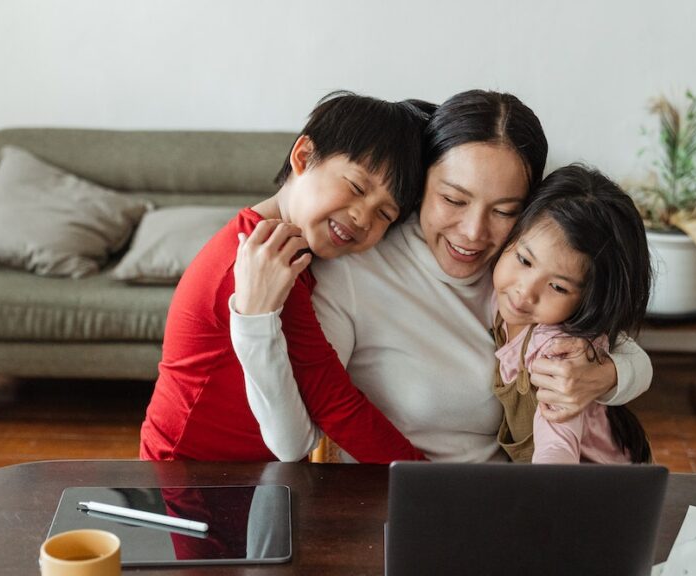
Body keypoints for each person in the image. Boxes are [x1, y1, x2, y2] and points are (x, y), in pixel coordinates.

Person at [231, 90, 654, 462]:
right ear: (420, 184)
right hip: (399, 511)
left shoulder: (519, 271)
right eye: (453, 199)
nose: (473, 233)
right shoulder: (355, 271)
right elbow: (294, 440)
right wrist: (253, 322)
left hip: (508, 504)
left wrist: (606, 376)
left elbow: (627, 351)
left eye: (504, 211)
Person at [140, 92, 431, 462]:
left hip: (239, 475)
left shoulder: (296, 250)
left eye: (384, 214)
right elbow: (333, 404)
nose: (362, 217)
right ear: (304, 157)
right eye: (357, 188)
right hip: (187, 478)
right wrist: (429, 484)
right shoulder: (262, 261)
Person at [490, 164, 653, 464]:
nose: (525, 292)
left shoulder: (558, 348)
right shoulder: (499, 302)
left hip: (603, 488)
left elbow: (557, 447)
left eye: (557, 287)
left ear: (588, 300)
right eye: (525, 260)